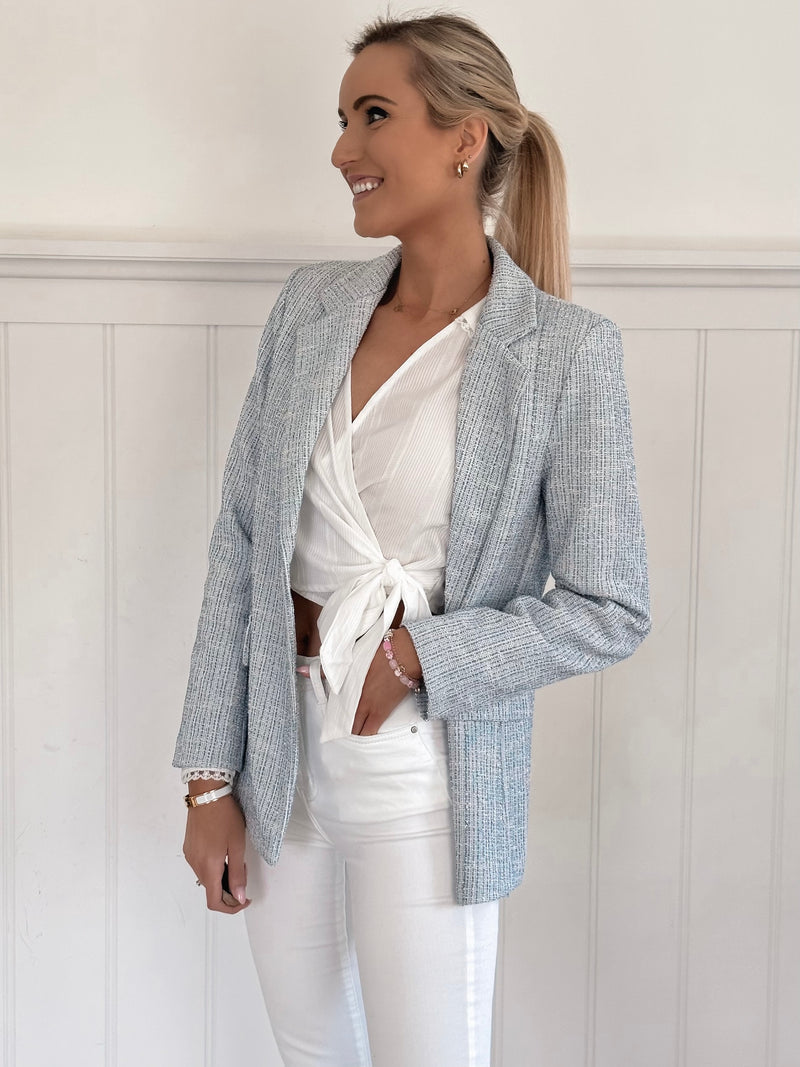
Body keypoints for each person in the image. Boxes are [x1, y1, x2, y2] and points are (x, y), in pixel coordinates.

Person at [173, 12, 650, 1067]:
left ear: (464, 138)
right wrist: (208, 778)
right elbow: (242, 543)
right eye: (343, 119)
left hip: (423, 771)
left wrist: (418, 656)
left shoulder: (563, 352)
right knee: (310, 1051)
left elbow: (610, 605)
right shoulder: (310, 307)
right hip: (278, 753)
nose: (342, 149)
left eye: (373, 115)